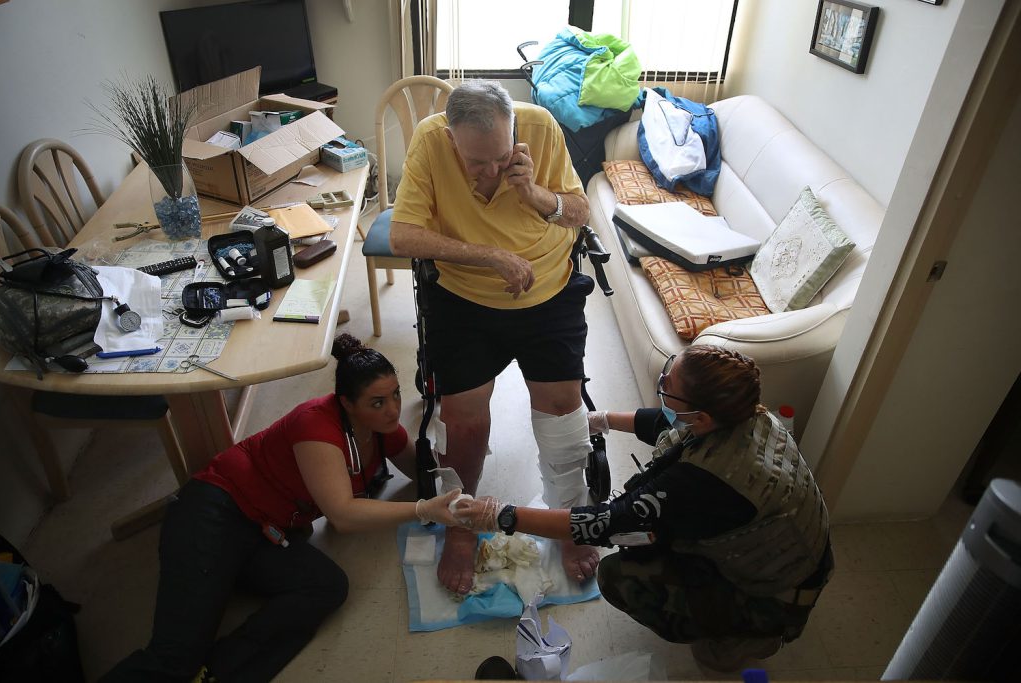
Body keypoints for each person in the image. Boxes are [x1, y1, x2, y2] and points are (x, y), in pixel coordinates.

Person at [101, 334, 464, 683]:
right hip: (216, 511)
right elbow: (343, 514)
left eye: (396, 395)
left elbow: (422, 472)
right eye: (378, 402)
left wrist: (457, 491)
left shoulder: (381, 428)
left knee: (326, 586)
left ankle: (215, 673)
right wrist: (423, 509)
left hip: (268, 530)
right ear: (346, 403)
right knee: (175, 657)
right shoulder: (315, 424)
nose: (393, 410)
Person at [455, 345, 834, 672]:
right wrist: (600, 421)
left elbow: (606, 523)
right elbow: (666, 425)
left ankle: (752, 634)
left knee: (621, 574)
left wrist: (503, 515)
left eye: (669, 384)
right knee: (650, 534)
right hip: (783, 547)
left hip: (777, 589)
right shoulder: (747, 413)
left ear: (701, 416)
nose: (664, 381)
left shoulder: (705, 482)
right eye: (669, 371)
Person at [388, 79, 600, 594]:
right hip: (464, 297)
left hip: (547, 289)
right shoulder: (430, 138)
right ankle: (463, 522)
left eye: (501, 158)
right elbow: (402, 234)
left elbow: (580, 210)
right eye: (476, 162)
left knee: (561, 410)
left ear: (513, 136)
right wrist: (491, 256)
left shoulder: (542, 128)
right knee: (462, 419)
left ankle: (570, 518)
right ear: (452, 139)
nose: (490, 172)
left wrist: (534, 195)